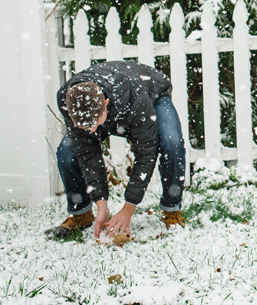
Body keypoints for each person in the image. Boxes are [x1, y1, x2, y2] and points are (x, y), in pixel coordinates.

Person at [45, 60, 187, 239]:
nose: (93, 131)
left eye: (95, 125)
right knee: (67, 152)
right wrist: (101, 203)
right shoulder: (68, 99)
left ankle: (171, 209)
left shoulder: (133, 98)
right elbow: (86, 151)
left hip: (152, 93)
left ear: (105, 103)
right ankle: (81, 214)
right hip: (111, 102)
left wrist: (129, 208)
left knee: (172, 142)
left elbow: (146, 152)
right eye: (86, 127)